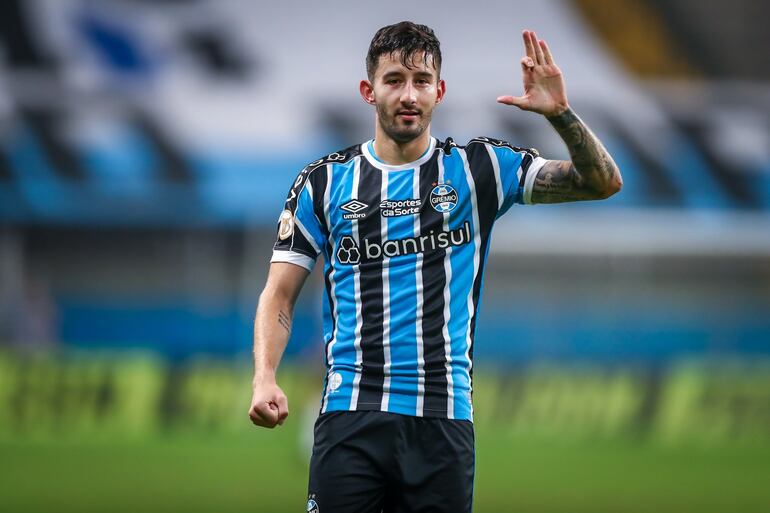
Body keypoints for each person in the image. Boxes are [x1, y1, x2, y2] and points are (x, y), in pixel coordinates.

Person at [248, 21, 621, 513]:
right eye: (394, 79)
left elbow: (602, 182)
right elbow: (279, 293)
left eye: (422, 81)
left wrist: (562, 116)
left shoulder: (479, 168)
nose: (409, 94)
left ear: (439, 91)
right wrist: (264, 377)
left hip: (443, 420)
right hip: (351, 415)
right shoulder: (323, 183)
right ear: (368, 90)